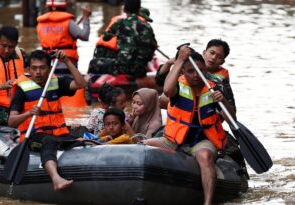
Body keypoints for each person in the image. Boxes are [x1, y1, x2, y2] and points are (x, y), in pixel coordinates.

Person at [145, 46, 236, 205]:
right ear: (183, 72)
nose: (195, 75)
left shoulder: (213, 89)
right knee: (143, 145)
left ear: (204, 70)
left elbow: (232, 119)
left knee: (205, 157)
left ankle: (207, 203)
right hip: (174, 139)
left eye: (198, 71)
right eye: (190, 71)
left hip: (201, 140)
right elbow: (166, 89)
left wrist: (223, 101)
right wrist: (180, 59)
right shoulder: (178, 88)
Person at [8, 49, 86, 191]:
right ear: (28, 70)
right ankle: (56, 179)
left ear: (49, 68)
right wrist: (28, 114)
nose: (38, 72)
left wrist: (67, 61)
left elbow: (81, 84)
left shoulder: (55, 83)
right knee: (49, 141)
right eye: (34, 68)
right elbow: (11, 121)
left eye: (42, 68)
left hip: (58, 134)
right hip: (33, 137)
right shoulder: (22, 90)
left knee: (81, 137)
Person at [88, 0, 157, 77]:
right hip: (141, 69)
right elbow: (153, 46)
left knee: (93, 63)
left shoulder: (120, 23)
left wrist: (118, 34)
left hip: (123, 67)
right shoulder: (148, 27)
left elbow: (105, 38)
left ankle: (87, 85)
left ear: (124, 9)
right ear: (138, 10)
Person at [36, 0, 91, 75]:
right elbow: (85, 36)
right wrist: (86, 18)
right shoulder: (68, 22)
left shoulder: (40, 23)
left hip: (47, 65)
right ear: (64, 6)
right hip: (67, 64)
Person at [202, 39, 236, 112]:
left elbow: (232, 109)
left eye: (219, 57)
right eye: (212, 53)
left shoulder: (222, 79)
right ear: (204, 53)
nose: (213, 57)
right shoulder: (191, 66)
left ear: (222, 62)